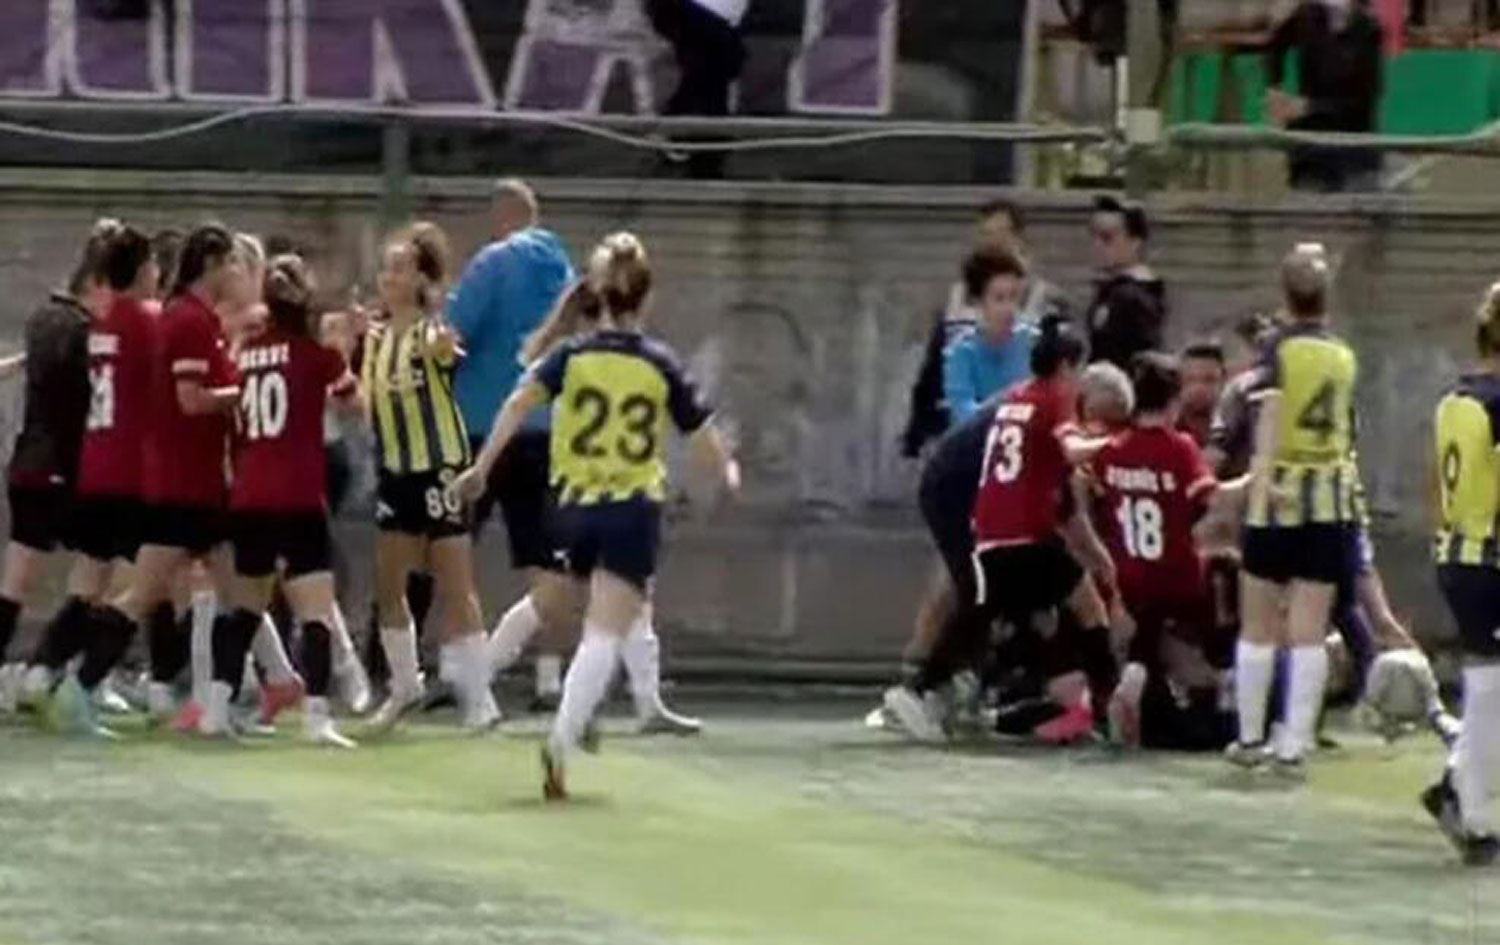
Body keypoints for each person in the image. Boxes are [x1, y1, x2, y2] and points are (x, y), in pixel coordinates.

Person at [453, 232, 739, 801]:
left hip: (569, 506)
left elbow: (516, 403)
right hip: (629, 508)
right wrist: (727, 471)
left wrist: (481, 468)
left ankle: (481, 676)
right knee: (603, 632)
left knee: (552, 601)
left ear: (599, 296)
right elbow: (704, 438)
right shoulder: (659, 362)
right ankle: (561, 739)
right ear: (646, 299)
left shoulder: (570, 356)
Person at [51, 224, 253, 737]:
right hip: (183, 486)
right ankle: (80, 685)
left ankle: (215, 706)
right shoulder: (187, 321)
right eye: (231, 262)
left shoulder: (191, 318)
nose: (237, 273)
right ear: (212, 264)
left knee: (237, 594)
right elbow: (191, 400)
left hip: (195, 482)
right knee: (144, 596)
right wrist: (241, 392)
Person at [884, 317, 1119, 743]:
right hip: (986, 508)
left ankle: (934, 687)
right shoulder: (1056, 400)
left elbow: (1052, 488)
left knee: (984, 601)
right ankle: (1107, 709)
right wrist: (1113, 446)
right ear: (1069, 368)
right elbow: (1067, 470)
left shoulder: (1019, 396)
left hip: (991, 522)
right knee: (1058, 603)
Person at [207, 255, 362, 746]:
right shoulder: (315, 355)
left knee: (244, 609)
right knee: (315, 610)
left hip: (249, 494)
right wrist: (348, 347)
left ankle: (215, 709)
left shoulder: (244, 354)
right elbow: (354, 402)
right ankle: (317, 717)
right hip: (298, 494)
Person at [1228, 244, 1363, 776]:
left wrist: (1261, 481)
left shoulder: (1277, 349)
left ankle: (1250, 737)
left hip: (1278, 495)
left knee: (1258, 623)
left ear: (1285, 296)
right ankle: (1296, 743)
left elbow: (1270, 414)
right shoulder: (1343, 355)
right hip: (1329, 495)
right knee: (1310, 628)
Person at [359, 222, 495, 733]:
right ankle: (405, 685)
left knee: (456, 583)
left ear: (421, 280)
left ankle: (480, 699)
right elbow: (366, 404)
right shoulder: (374, 340)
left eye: (399, 269)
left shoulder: (428, 333)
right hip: (396, 473)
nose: (388, 277)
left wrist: (443, 347)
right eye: (386, 268)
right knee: (388, 583)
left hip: (440, 471)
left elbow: (446, 353)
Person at [447, 179, 575, 715]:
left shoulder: (493, 262)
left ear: (501, 216)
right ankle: (549, 680)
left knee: (453, 549)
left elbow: (454, 332)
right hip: (548, 427)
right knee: (545, 558)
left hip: (484, 422)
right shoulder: (564, 270)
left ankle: (458, 667)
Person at [19, 226, 156, 703]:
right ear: (141, 271)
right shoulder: (145, 320)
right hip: (131, 468)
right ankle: (84, 684)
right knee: (131, 586)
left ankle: (42, 671)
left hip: (96, 463)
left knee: (87, 581)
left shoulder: (98, 324)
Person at [1089, 353, 1225, 747]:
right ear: (1174, 400)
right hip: (1176, 579)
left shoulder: (1110, 449)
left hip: (1126, 579)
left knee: (1145, 617)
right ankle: (1218, 680)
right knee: (1217, 581)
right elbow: (1207, 500)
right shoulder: (1180, 448)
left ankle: (1134, 674)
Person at [0, 221, 110, 698]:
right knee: (101, 557)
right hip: (60, 464)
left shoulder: (43, 317)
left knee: (17, 576)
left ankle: (32, 669)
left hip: (27, 461)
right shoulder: (81, 331)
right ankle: (46, 665)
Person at [1422, 281, 1500, 866]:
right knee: (1490, 688)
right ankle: (1467, 810)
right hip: (1489, 556)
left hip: (1455, 553)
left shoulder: (1454, 397)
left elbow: (1434, 480)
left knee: (1488, 683)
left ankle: (1456, 786)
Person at [902, 200, 1065, 458]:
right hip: (964, 429)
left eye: (1000, 234)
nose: (992, 243)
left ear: (1019, 239)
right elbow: (934, 369)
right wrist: (918, 430)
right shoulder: (958, 299)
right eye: (986, 235)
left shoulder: (1044, 301)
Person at [1267, 0, 1384, 193]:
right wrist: (1274, 88)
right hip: (1310, 146)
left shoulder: (1367, 28)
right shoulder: (1307, 15)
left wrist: (1308, 107)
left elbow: (1362, 101)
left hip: (1353, 145)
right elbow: (1276, 46)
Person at [646, 0, 749, 179]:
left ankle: (702, 150)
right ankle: (703, 151)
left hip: (706, 14)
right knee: (714, 71)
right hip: (698, 11)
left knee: (712, 74)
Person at [941, 246, 1040, 425]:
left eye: (1014, 297)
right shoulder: (962, 353)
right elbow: (964, 413)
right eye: (999, 298)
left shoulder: (1034, 343)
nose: (1009, 308)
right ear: (979, 301)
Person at [1086, 196, 1167, 371]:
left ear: (1135, 242)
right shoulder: (1111, 291)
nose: (1097, 245)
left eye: (1107, 238)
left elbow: (1146, 359)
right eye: (1094, 237)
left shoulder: (1135, 298)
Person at [1177, 341, 1227, 448]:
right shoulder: (1165, 430)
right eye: (1190, 379)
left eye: (1209, 380)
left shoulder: (1237, 427)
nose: (1199, 388)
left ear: (1223, 381)